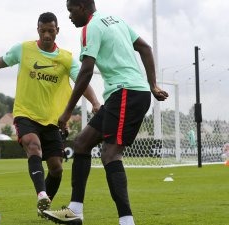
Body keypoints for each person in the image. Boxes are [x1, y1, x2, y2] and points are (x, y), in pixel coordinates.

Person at [0, 12, 100, 216]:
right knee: (33, 145)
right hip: (25, 114)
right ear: (37, 30)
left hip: (52, 121)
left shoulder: (66, 59)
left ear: (58, 31)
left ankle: (44, 207)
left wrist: (95, 102)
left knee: (56, 169)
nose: (47, 35)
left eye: (51, 30)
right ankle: (41, 195)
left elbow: (82, 80)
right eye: (43, 30)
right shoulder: (23, 50)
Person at [43, 1, 169, 225]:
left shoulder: (90, 27)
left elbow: (86, 71)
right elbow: (145, 48)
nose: (70, 17)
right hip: (124, 94)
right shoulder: (116, 21)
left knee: (110, 154)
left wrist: (66, 112)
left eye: (71, 11)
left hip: (126, 93)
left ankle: (126, 221)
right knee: (82, 144)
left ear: (82, 7)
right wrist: (153, 85)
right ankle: (75, 211)